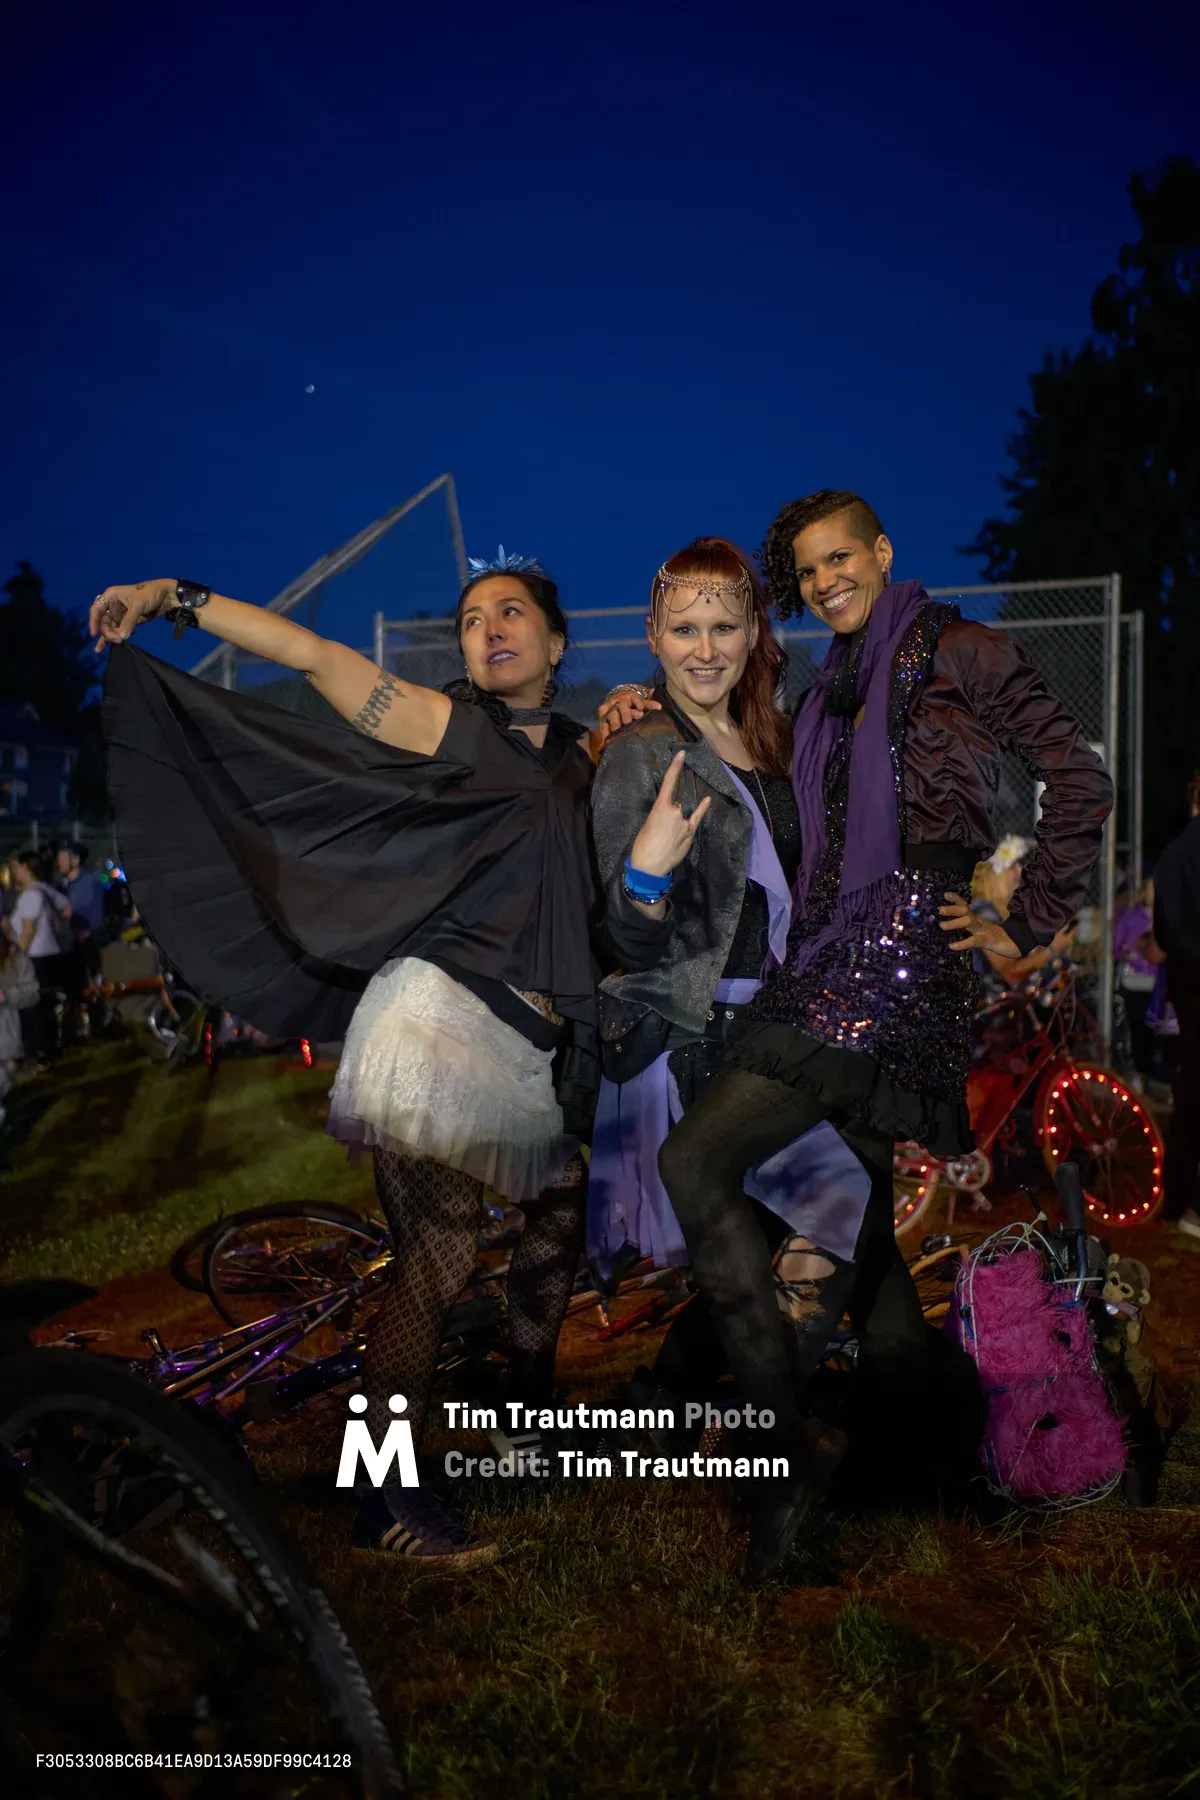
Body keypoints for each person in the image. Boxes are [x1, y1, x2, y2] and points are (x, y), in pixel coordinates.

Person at [90, 557, 601, 1565]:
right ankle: (385, 1503)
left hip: (525, 1038)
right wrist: (177, 599)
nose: (488, 628)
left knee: (560, 1212)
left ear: (557, 640)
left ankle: (511, 1413)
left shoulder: (592, 755)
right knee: (438, 1258)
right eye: (468, 619)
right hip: (437, 1021)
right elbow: (319, 655)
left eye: (511, 614)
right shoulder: (454, 730)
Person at [652, 489, 1113, 1582]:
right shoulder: (829, 688)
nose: (825, 582)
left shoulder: (957, 647)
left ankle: (789, 1449)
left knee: (696, 1157)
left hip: (895, 965)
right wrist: (638, 705)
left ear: (883, 552)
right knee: (863, 1257)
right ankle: (945, 1474)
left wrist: (1025, 921)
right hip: (828, 957)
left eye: (840, 558)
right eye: (807, 572)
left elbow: (1078, 775)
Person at [588, 538, 871, 1429]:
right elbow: (618, 930)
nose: (703, 648)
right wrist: (644, 874)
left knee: (784, 1236)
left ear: (754, 633)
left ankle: (719, 1406)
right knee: (819, 1208)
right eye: (683, 629)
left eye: (722, 626)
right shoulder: (639, 748)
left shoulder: (774, 740)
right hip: (693, 1035)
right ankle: (772, 1432)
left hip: (780, 1026)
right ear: (653, 635)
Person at [1147, 773, 1200, 1240]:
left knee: (1189, 1096)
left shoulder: (1172, 856)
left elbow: (1165, 933)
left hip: (1188, 987)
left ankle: (1176, 1202)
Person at [7, 847, 74, 1071]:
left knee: (35, 1006)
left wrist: (17, 959)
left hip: (35, 957)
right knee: (45, 1004)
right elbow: (67, 908)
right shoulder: (46, 891)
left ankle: (40, 1053)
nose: (14, 872)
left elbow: (28, 931)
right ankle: (46, 1051)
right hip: (50, 955)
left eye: (17, 867)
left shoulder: (31, 895)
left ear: (26, 868)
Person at [55, 841, 107, 1034]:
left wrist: (83, 927)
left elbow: (97, 912)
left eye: (63, 857)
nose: (59, 861)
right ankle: (72, 1026)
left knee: (91, 985)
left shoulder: (91, 881)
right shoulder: (59, 884)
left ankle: (97, 1025)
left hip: (86, 941)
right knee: (70, 986)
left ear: (75, 860)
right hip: (66, 943)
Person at [1113, 877, 1159, 1087]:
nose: (1154, 893)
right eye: (1150, 888)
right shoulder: (1131, 917)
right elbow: (1115, 947)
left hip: (1159, 981)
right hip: (1136, 982)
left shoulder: (1167, 917)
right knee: (1138, 1028)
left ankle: (1156, 1074)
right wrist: (1126, 954)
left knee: (1159, 1032)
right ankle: (1140, 1074)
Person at [0, 928, 40, 1126]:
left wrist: (7, 996)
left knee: (3, 1077)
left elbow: (32, 993)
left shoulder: (18, 962)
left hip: (6, 1037)